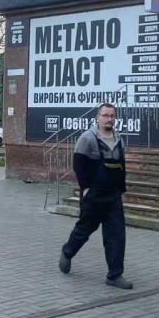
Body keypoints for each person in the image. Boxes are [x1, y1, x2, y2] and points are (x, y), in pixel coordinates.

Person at [58, 103, 132, 289]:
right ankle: (68, 252)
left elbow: (121, 167)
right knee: (85, 229)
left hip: (113, 196)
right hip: (94, 194)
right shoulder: (88, 138)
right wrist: (85, 189)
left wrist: (121, 190)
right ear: (98, 117)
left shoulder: (119, 139)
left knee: (116, 235)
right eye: (105, 115)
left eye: (112, 116)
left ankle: (115, 275)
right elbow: (78, 165)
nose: (109, 119)